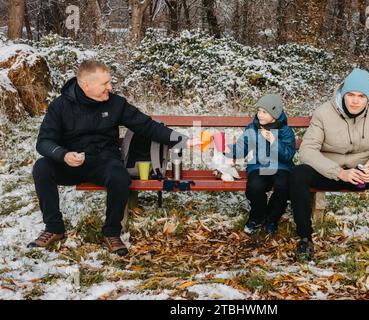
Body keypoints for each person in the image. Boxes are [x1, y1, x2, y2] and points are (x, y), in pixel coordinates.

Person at [30, 60, 199, 256]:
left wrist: (182, 140)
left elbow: (147, 126)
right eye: (104, 84)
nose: (110, 87)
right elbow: (43, 142)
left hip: (104, 162)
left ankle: (111, 232)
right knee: (42, 167)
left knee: (120, 176)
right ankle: (53, 228)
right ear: (86, 85)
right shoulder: (60, 106)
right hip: (71, 162)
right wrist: (63, 155)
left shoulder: (116, 103)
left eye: (109, 82)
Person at [290, 68, 369, 261]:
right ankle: (304, 238)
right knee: (298, 174)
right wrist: (338, 173)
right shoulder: (323, 113)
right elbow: (307, 151)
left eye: (361, 96)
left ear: (368, 98)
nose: (355, 100)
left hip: (364, 174)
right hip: (331, 174)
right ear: (343, 93)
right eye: (350, 94)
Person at [225, 94, 296, 235]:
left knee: (283, 187)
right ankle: (257, 216)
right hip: (258, 166)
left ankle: (272, 218)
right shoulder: (252, 128)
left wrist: (274, 141)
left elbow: (288, 154)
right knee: (254, 187)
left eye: (264, 112)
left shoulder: (285, 131)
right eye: (258, 111)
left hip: (281, 167)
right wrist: (229, 150)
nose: (260, 115)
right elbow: (242, 147)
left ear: (275, 114)